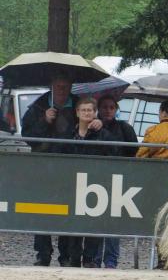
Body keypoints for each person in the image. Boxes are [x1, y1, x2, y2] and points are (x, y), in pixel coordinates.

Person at [21, 74, 101, 266]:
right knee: (41, 212)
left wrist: (99, 124)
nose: (61, 90)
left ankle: (66, 255)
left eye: (65, 87)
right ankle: (43, 254)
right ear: (52, 86)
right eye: (58, 86)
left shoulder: (78, 105)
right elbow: (28, 135)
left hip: (71, 168)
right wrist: (44, 121)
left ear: (70, 87)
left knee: (69, 211)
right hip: (44, 168)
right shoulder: (38, 106)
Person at [93, 94, 138, 268]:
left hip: (117, 179)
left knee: (113, 222)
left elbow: (132, 150)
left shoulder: (125, 128)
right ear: (99, 109)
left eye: (111, 107)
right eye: (104, 107)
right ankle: (94, 258)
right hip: (96, 179)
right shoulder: (92, 126)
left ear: (116, 109)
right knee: (95, 221)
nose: (108, 110)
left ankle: (111, 260)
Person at [67, 97, 112, 267]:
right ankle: (73, 258)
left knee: (93, 223)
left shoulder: (103, 133)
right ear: (77, 112)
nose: (87, 113)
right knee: (74, 224)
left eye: (90, 110)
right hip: (72, 184)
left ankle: (90, 259)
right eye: (83, 110)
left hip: (95, 184)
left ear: (95, 113)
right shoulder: (69, 133)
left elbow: (113, 151)